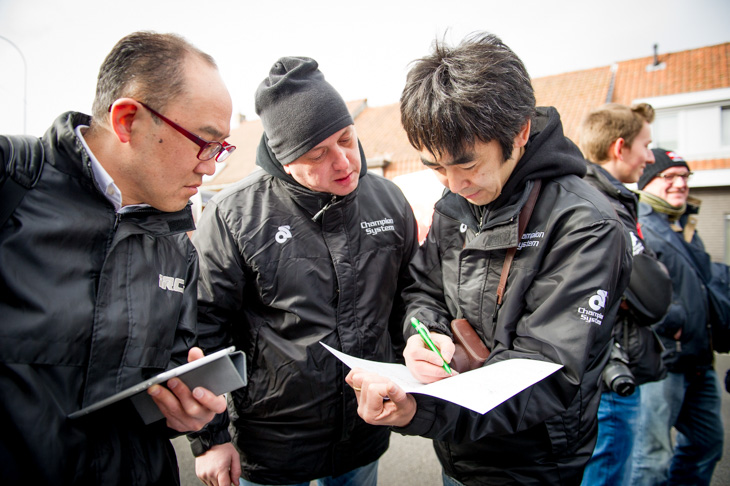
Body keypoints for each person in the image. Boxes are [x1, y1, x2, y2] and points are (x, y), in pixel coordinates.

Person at [347, 32, 630, 485]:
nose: (453, 183)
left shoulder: (584, 225)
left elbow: (542, 371)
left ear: (519, 132)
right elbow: (423, 288)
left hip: (532, 464)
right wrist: (427, 334)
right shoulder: (454, 205)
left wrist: (418, 408)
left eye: (467, 164)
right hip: (455, 452)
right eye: (435, 167)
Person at [0, 31, 233, 485]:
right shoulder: (12, 183)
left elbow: (162, 382)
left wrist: (184, 415)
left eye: (222, 148)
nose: (210, 166)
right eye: (205, 142)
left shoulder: (177, 246)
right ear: (127, 120)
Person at [189, 56, 419, 486]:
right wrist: (210, 440)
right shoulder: (234, 216)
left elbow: (412, 295)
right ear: (283, 157)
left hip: (364, 436)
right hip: (274, 447)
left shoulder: (388, 201)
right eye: (318, 153)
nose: (345, 161)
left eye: (347, 139)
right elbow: (202, 328)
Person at [577, 103, 671, 485]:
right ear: (620, 147)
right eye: (646, 145)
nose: (650, 157)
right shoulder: (605, 207)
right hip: (609, 379)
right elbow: (655, 296)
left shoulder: (589, 195)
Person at [628, 148, 725, 486]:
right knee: (650, 459)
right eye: (669, 176)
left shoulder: (684, 224)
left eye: (685, 176)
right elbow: (629, 284)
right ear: (647, 181)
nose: (680, 184)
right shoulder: (638, 224)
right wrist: (673, 322)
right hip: (664, 362)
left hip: (699, 360)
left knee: (706, 444)